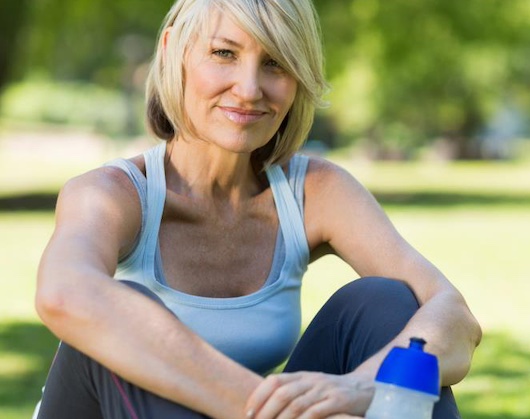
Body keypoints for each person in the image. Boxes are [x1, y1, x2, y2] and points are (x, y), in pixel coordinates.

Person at [33, 0, 482, 418]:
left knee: (385, 302)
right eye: (224, 53)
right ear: (173, 51)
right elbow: (65, 295)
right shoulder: (110, 193)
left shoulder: (315, 192)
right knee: (113, 318)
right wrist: (266, 408)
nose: (249, 90)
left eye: (275, 63)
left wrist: (366, 387)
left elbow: (453, 315)